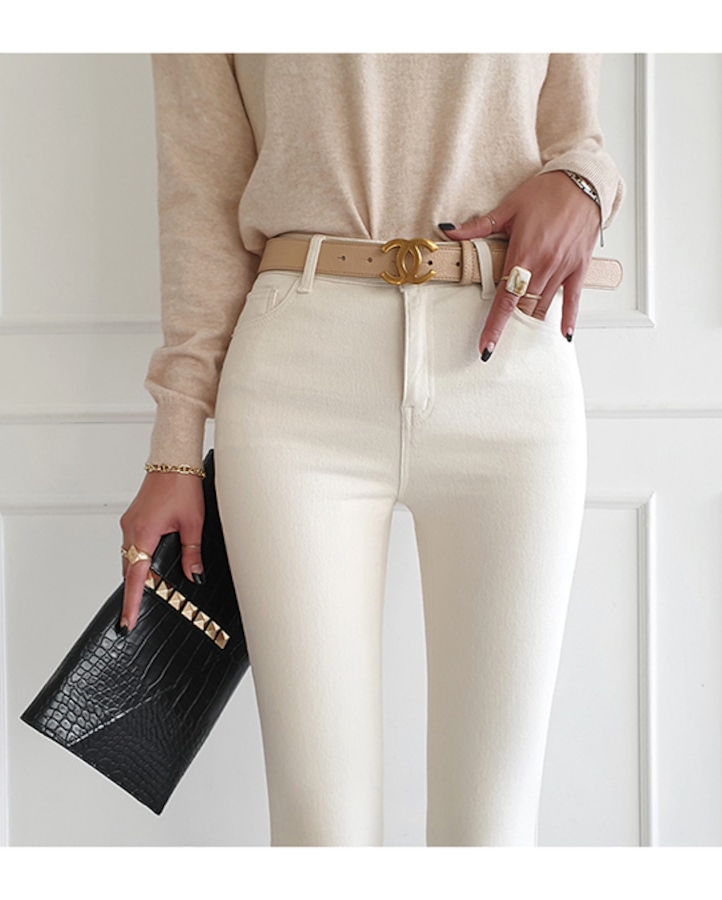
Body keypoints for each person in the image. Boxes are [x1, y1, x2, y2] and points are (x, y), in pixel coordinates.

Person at [119, 53, 624, 846]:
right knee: (320, 831)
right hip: (296, 379)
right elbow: (200, 193)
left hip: (508, 367)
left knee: (491, 832)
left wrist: (586, 187)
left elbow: (576, 137)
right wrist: (174, 446)